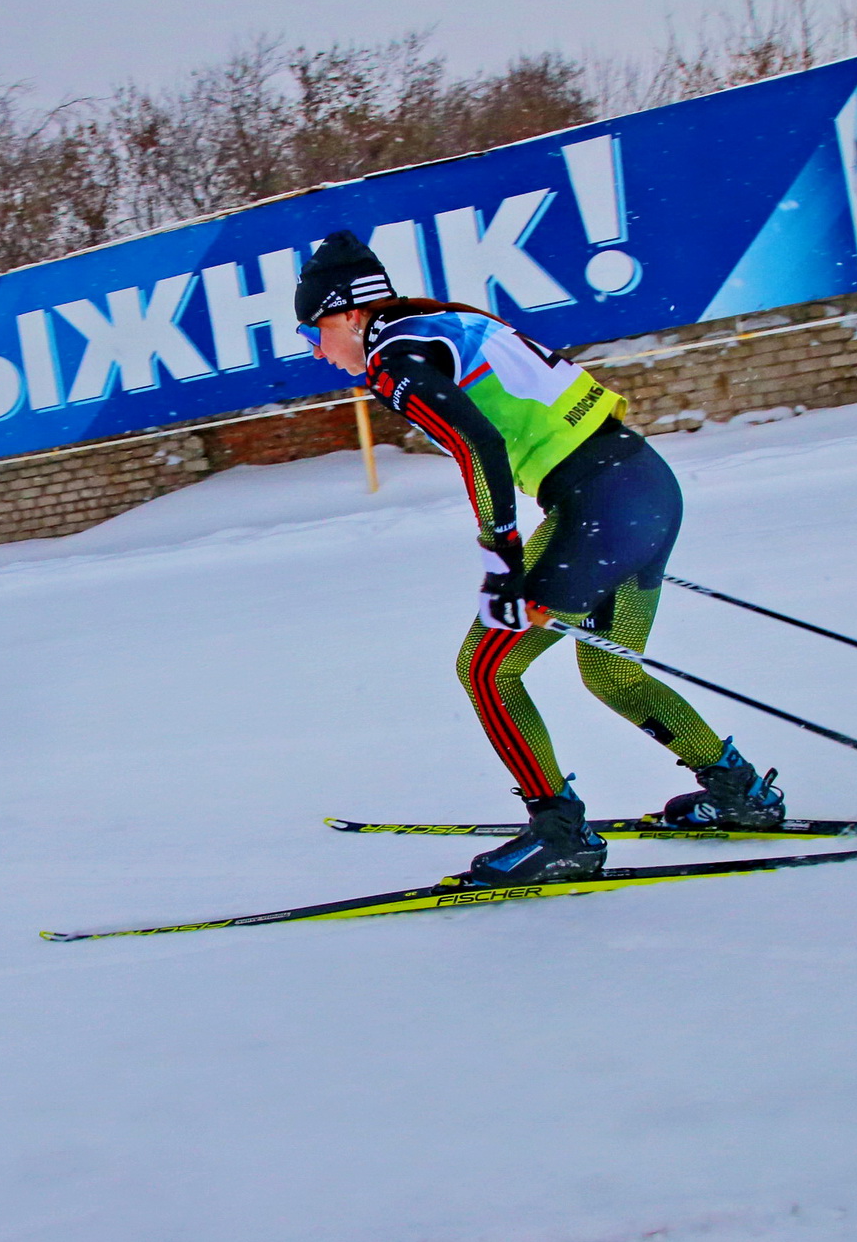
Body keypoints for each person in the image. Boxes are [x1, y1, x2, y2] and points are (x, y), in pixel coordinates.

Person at [293, 231, 787, 886]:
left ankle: (559, 832)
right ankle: (741, 792)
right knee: (614, 675)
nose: (317, 351)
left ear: (348, 312)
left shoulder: (392, 353)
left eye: (314, 333)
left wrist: (502, 556)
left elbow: (480, 447)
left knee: (486, 667)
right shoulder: (438, 321)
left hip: (601, 507)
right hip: (645, 486)